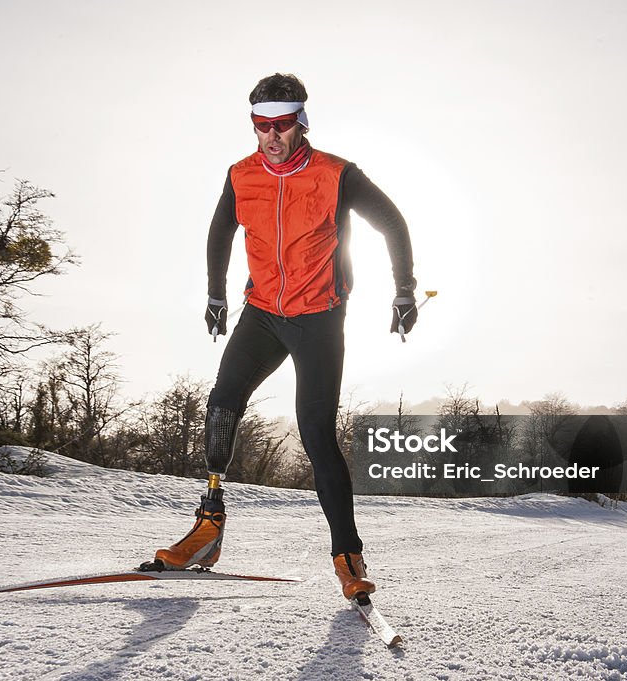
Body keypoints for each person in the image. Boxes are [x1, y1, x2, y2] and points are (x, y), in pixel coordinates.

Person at [150, 73, 418, 600]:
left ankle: (348, 556)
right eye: (261, 126)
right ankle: (208, 528)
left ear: (301, 122)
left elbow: (393, 223)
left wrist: (404, 291)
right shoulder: (241, 175)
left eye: (282, 124)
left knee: (316, 434)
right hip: (263, 313)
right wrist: (215, 295)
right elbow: (220, 230)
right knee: (221, 403)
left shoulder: (337, 175)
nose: (271, 136)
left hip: (318, 318)